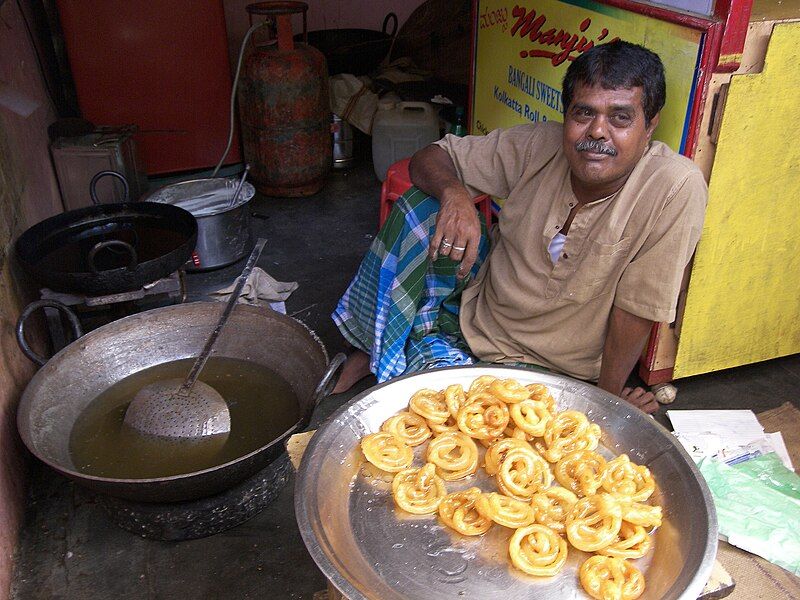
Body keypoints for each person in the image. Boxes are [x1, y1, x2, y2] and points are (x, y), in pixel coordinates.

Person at [331, 41, 707, 414]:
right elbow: (430, 157)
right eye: (583, 114)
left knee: (460, 422)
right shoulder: (537, 145)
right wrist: (455, 195)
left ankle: (411, 355)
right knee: (421, 205)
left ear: (650, 123)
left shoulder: (674, 186)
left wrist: (606, 405)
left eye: (620, 118)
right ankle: (372, 346)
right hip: (477, 317)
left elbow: (637, 308)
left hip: (554, 370)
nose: (597, 132)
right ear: (567, 115)